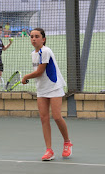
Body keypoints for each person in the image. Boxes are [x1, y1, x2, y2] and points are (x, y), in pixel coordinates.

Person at [21, 28, 72, 161]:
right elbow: (38, 75)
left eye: (37, 36)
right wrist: (28, 79)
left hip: (54, 87)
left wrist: (26, 77)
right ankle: (49, 150)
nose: (33, 39)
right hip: (42, 89)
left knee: (56, 116)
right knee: (44, 119)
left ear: (43, 39)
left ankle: (67, 142)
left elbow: (39, 72)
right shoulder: (33, 53)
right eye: (31, 36)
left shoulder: (46, 51)